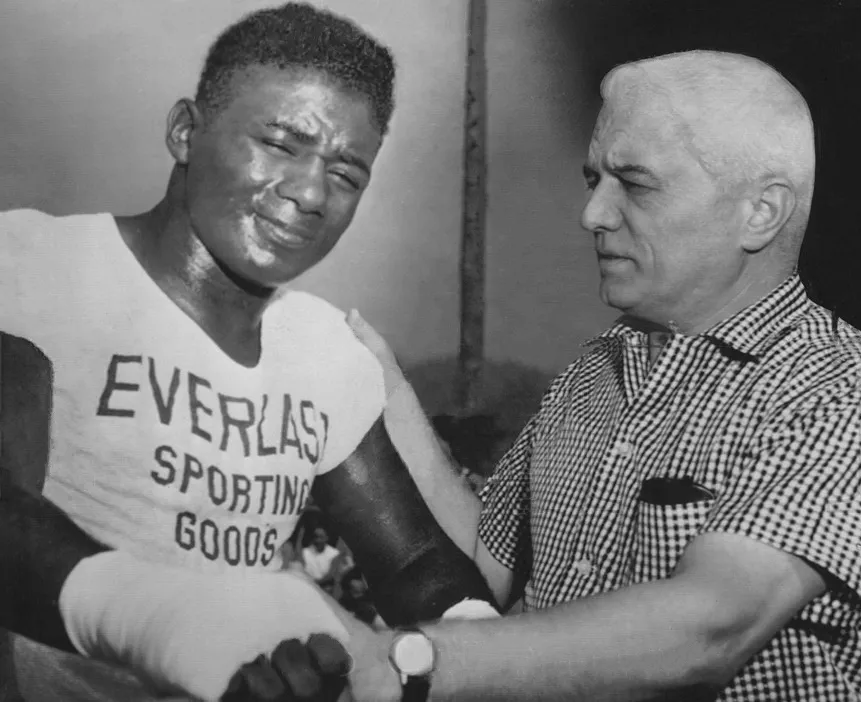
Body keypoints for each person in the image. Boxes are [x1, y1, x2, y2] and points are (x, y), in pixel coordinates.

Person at [293, 50, 861, 701]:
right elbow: (485, 571)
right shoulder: (592, 373)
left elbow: (711, 627)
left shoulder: (840, 390)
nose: (592, 214)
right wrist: (386, 387)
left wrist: (413, 662)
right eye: (593, 178)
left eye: (637, 183)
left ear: (760, 212)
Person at [0, 4, 498, 701]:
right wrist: (161, 620)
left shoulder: (322, 350)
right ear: (184, 131)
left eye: (347, 173)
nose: (310, 192)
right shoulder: (36, 265)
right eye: (281, 143)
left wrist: (471, 642)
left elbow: (414, 561)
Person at [301, 526, 342, 594]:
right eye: (316, 537)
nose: (318, 540)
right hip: (306, 588)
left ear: (327, 538)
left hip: (325, 589)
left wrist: (314, 584)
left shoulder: (334, 554)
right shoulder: (305, 552)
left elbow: (330, 575)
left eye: (321, 537)